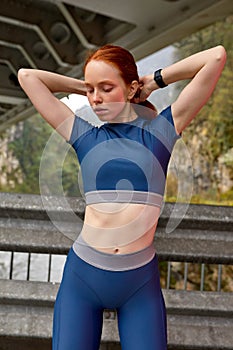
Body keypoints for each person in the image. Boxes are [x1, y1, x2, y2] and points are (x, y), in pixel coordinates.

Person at [18, 44, 226, 350]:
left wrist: (153, 81)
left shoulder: (160, 133)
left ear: (130, 89)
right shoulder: (85, 136)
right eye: (91, 91)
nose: (95, 99)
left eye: (106, 88)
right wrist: (89, 84)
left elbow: (216, 56)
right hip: (82, 280)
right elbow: (27, 76)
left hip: (139, 284)